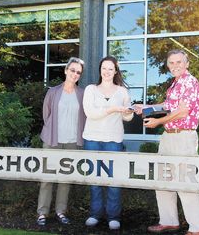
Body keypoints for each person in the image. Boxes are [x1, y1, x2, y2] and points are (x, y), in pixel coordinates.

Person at [135, 49, 199, 235]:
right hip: (168, 136)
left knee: (185, 181)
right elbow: (168, 107)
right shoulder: (175, 84)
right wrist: (147, 107)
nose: (175, 66)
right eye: (171, 63)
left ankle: (198, 228)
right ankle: (169, 221)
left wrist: (158, 122)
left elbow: (183, 112)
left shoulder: (190, 82)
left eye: (178, 62)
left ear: (187, 63)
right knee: (163, 178)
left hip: (183, 136)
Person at [82, 56, 134, 230]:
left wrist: (127, 112)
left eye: (110, 69)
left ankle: (113, 216)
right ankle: (95, 214)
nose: (107, 71)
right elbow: (91, 113)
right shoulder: (90, 89)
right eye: (104, 68)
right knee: (94, 179)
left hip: (114, 140)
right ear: (100, 70)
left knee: (114, 180)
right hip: (92, 139)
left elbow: (127, 117)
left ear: (115, 71)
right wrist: (113, 109)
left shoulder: (122, 91)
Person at [37, 57, 86, 226]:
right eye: (72, 70)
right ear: (66, 70)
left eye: (78, 72)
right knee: (47, 178)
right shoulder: (53, 92)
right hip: (52, 141)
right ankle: (42, 213)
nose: (75, 74)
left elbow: (84, 118)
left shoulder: (82, 94)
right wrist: (52, 131)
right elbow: (46, 114)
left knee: (65, 180)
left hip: (72, 143)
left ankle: (60, 211)